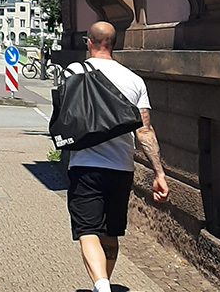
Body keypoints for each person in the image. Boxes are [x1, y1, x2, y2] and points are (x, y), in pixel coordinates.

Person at [65, 21, 169, 292]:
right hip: (121, 168)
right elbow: (144, 131)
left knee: (88, 231)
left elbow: (65, 116)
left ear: (88, 41)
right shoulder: (135, 80)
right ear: (114, 43)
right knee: (111, 233)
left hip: (84, 165)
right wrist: (159, 173)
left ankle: (101, 286)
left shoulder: (74, 72)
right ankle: (105, 284)